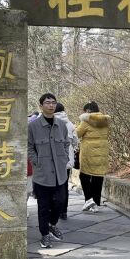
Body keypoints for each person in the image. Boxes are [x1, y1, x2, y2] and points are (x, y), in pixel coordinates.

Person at [27, 93, 70, 248]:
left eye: (53, 102)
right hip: (42, 174)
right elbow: (29, 146)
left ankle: (52, 224)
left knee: (59, 201)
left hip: (60, 173)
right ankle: (45, 234)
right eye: (47, 103)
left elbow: (66, 143)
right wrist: (36, 162)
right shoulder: (33, 126)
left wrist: (65, 158)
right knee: (43, 206)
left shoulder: (62, 125)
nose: (51, 105)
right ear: (41, 105)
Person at [76, 101, 110, 213]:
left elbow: (77, 134)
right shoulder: (105, 121)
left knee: (84, 176)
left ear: (88, 111)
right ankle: (96, 202)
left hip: (88, 152)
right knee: (98, 177)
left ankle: (89, 201)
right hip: (102, 152)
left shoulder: (86, 121)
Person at [54, 102, 79, 220]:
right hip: (66, 159)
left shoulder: (50, 122)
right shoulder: (70, 124)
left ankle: (54, 210)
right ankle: (63, 211)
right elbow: (75, 141)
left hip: (53, 159)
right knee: (64, 185)